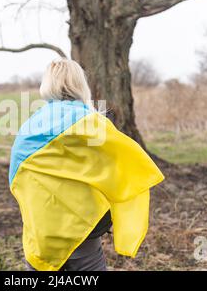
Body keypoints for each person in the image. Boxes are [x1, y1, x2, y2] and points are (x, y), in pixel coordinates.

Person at [9, 58, 164, 271]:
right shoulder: (92, 122)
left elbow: (17, 179)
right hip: (82, 233)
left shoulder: (29, 127)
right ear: (80, 84)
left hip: (40, 234)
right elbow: (125, 163)